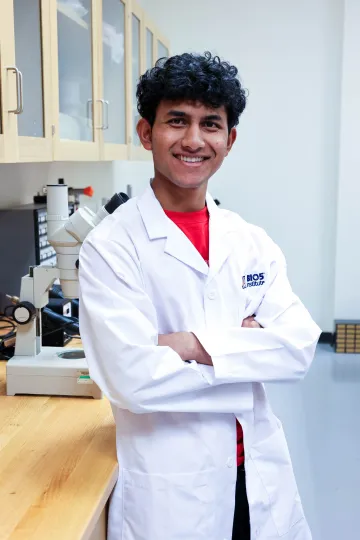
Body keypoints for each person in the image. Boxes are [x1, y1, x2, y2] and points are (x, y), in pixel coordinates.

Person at [79, 52, 321, 540]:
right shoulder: (111, 246)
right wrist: (248, 355)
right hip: (172, 491)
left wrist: (190, 346)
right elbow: (134, 380)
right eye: (176, 121)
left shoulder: (250, 241)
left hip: (257, 475)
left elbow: (297, 349)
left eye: (210, 124)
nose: (193, 140)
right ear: (147, 133)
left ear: (229, 141)